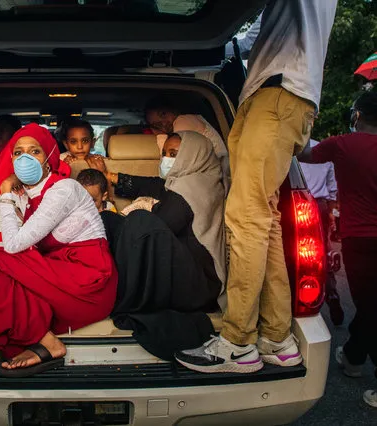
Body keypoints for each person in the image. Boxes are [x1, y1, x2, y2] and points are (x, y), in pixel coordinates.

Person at [176, 0, 337, 374]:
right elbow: (252, 36)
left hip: (281, 94)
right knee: (264, 220)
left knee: (246, 216)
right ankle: (276, 338)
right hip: (264, 91)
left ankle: (236, 343)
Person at [0, 123, 117, 377]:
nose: (25, 158)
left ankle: (48, 343)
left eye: (35, 151)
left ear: (50, 158)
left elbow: (13, 245)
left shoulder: (65, 189)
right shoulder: (25, 193)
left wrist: (7, 195)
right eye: (18, 153)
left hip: (87, 281)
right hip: (55, 272)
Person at [103, 132, 226, 360]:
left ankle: (125, 295)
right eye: (164, 153)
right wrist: (112, 177)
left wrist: (139, 212)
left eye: (174, 154)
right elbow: (157, 186)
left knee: (139, 222)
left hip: (199, 287)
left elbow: (160, 225)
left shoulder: (192, 188)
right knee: (114, 221)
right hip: (191, 273)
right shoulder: (193, 179)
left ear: (193, 156)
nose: (166, 160)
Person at [298, 91, 377, 408]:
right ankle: (354, 358)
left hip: (361, 239)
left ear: (357, 116)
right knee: (372, 305)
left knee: (371, 307)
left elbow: (301, 154)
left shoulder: (342, 145)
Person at [299, 140, 344, 326]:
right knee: (321, 252)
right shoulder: (324, 150)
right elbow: (332, 190)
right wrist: (333, 217)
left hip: (299, 201)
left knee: (297, 251)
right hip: (321, 206)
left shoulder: (293, 150)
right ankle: (331, 293)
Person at [144, 97, 230, 189]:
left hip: (215, 181)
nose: (164, 124)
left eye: (163, 114)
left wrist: (160, 136)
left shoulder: (184, 121)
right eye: (157, 124)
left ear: (174, 110)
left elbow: (172, 169)